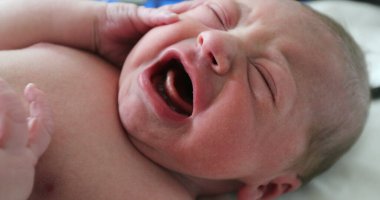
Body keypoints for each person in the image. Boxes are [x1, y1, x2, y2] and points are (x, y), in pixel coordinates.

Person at [0, 0, 370, 199]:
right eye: (217, 15)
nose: (215, 41)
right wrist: (93, 24)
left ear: (268, 186)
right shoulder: (88, 48)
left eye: (264, 79)